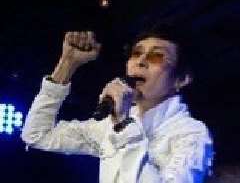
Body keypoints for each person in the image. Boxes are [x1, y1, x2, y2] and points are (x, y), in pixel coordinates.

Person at [22, 27, 212, 182]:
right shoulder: (109, 126)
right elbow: (37, 135)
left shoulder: (191, 134)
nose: (141, 61)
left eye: (156, 56)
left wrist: (123, 126)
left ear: (182, 79)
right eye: (136, 53)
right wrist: (67, 64)